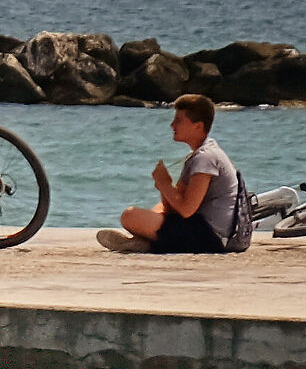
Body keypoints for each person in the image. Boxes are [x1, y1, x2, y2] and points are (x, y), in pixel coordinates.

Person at [101, 94, 240, 253]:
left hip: (211, 237)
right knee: (158, 208)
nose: (172, 125)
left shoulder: (206, 157)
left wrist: (164, 184)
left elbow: (186, 210)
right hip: (200, 228)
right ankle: (145, 241)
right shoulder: (196, 156)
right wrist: (163, 186)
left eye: (178, 120)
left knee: (129, 216)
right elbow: (172, 208)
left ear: (198, 126)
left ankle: (145, 242)